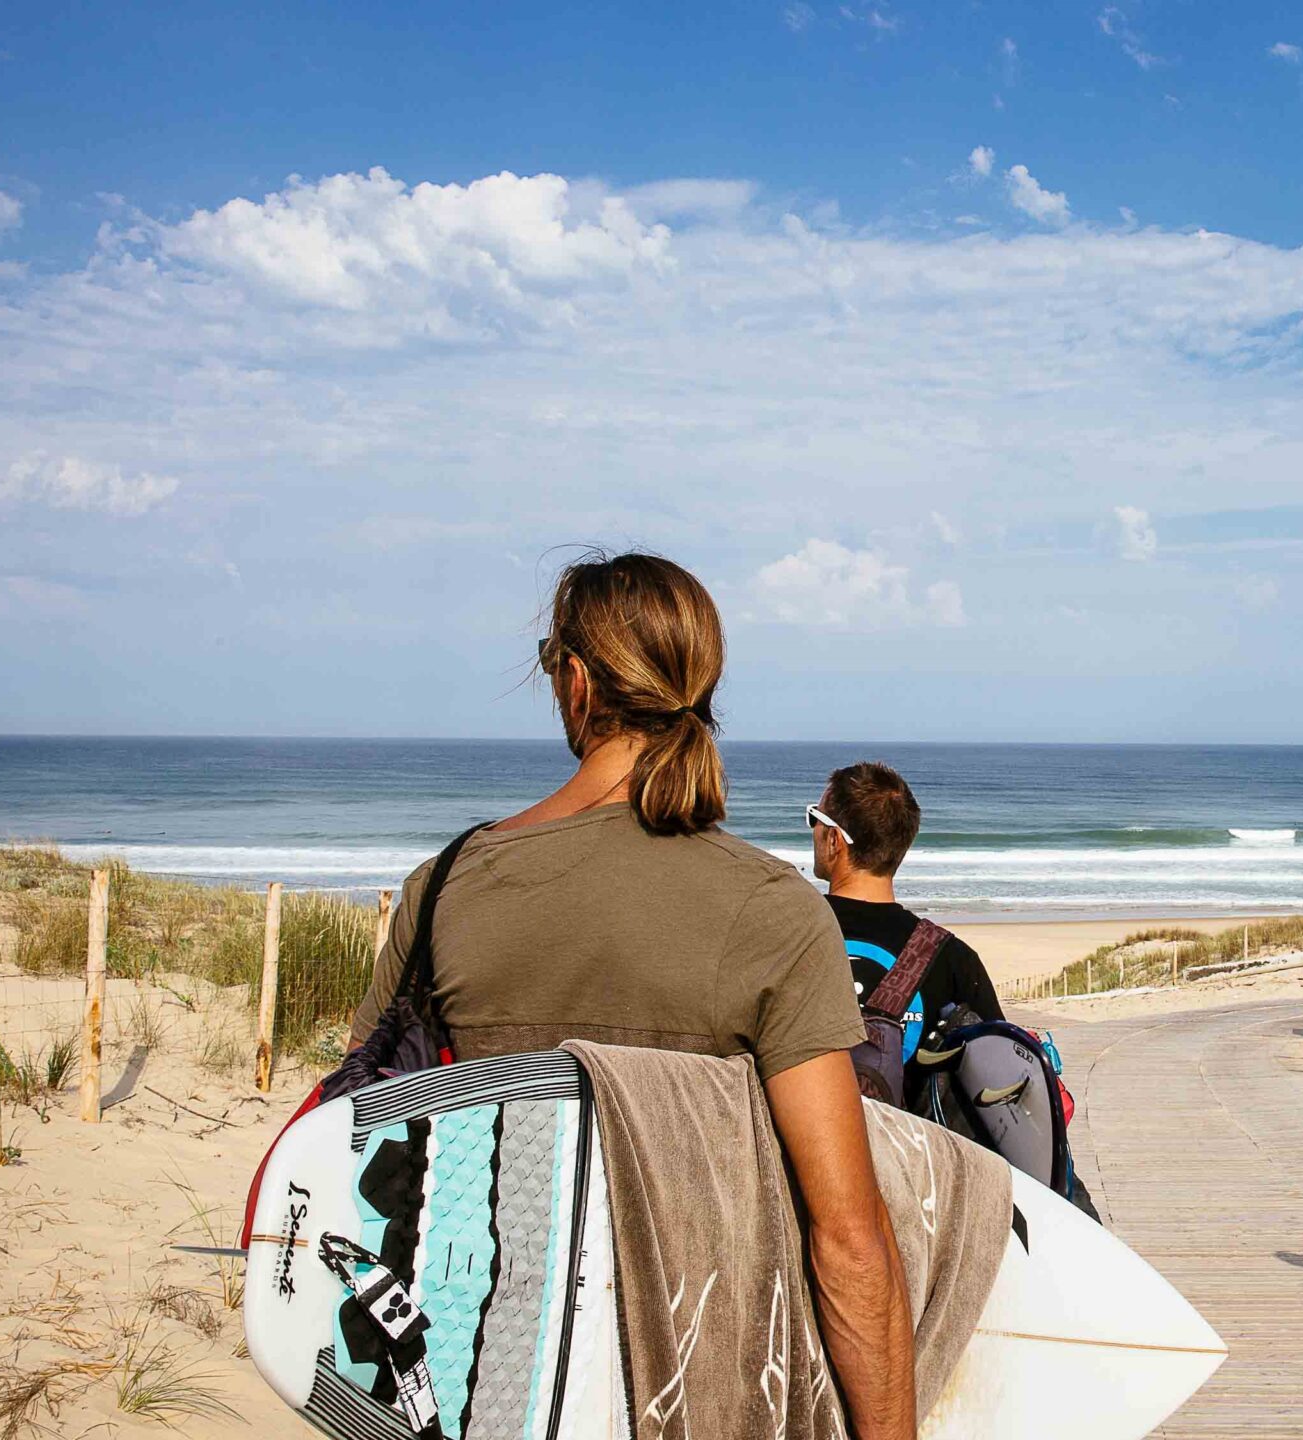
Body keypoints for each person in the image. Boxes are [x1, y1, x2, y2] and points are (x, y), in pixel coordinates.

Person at [348, 551, 916, 1440]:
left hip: (481, 1386)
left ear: (575, 683)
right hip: (702, 1384)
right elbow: (847, 1237)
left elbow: (365, 1152)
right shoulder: (774, 912)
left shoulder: (442, 891)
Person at [809, 761, 1003, 1048]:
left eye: (815, 819)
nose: (813, 830)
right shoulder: (953, 958)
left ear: (835, 840)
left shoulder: (786, 930)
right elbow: (997, 1067)